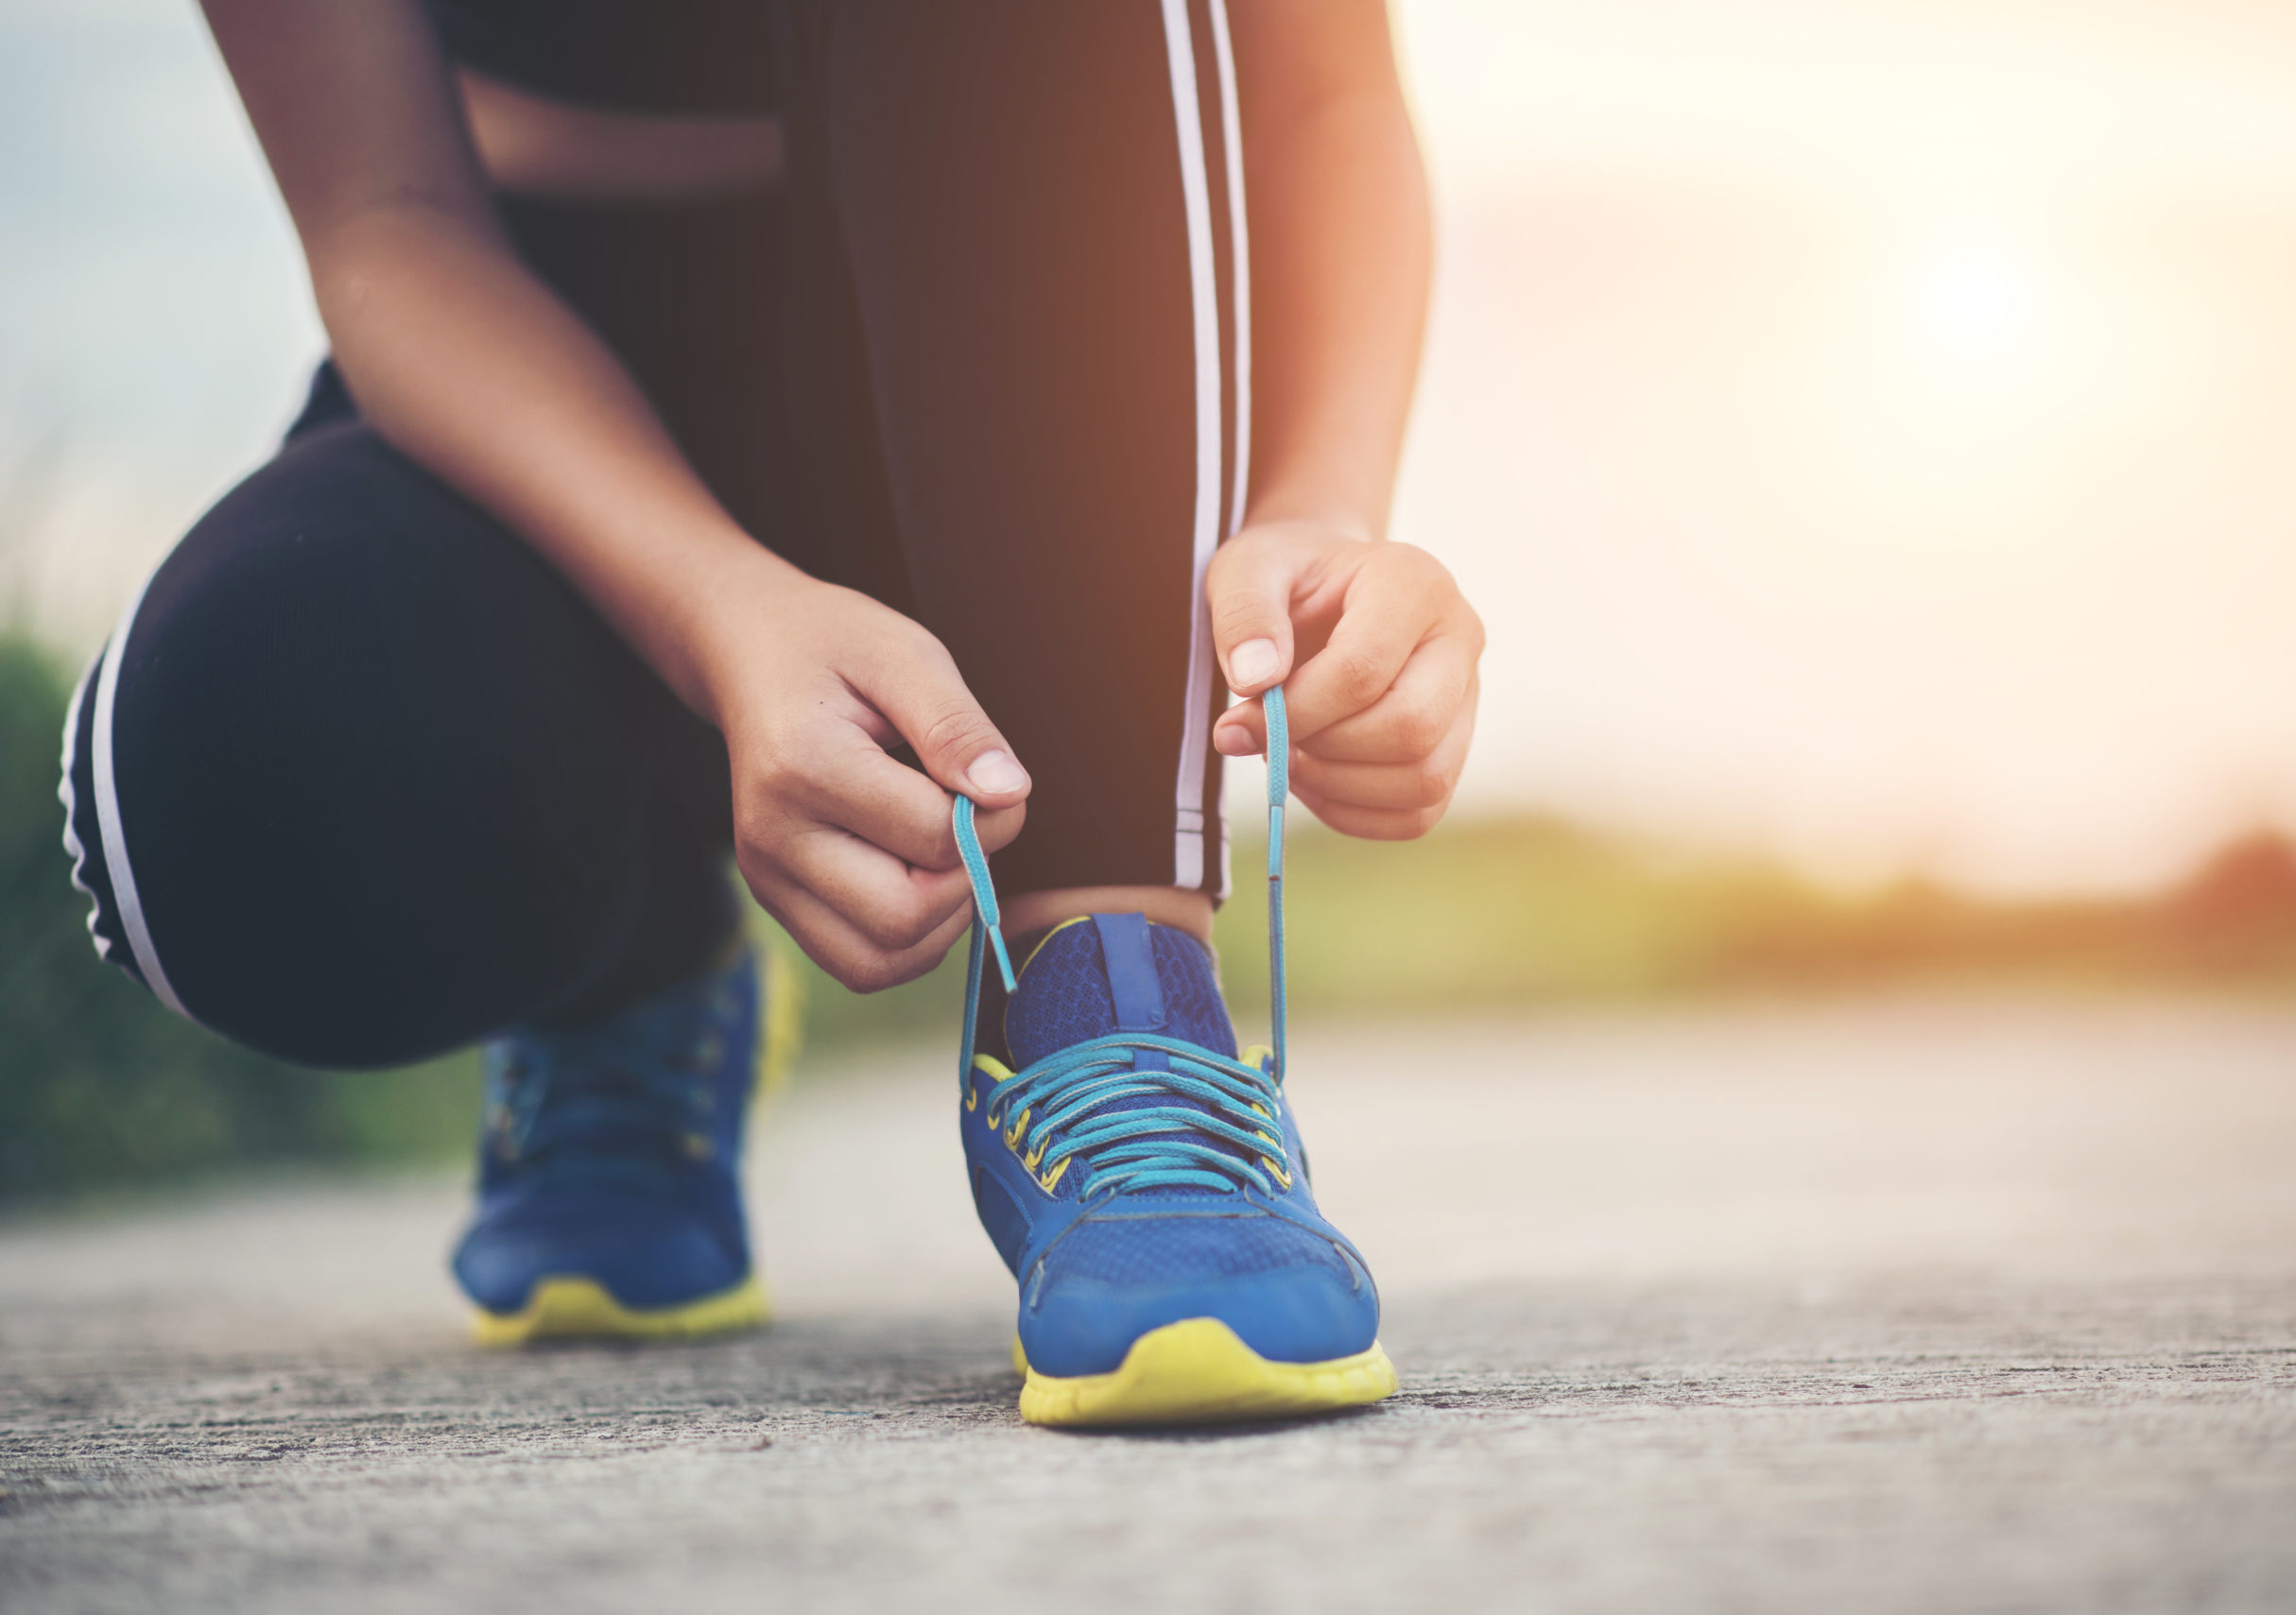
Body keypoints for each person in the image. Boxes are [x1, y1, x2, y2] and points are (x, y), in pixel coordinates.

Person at [60, 0, 1480, 1427]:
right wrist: (717, 611)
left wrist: (1320, 512)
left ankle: (1112, 987)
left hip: (1038, 339)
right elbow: (388, 218)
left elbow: (1319, 93)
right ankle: (629, 963)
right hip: (553, 365)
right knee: (220, 774)